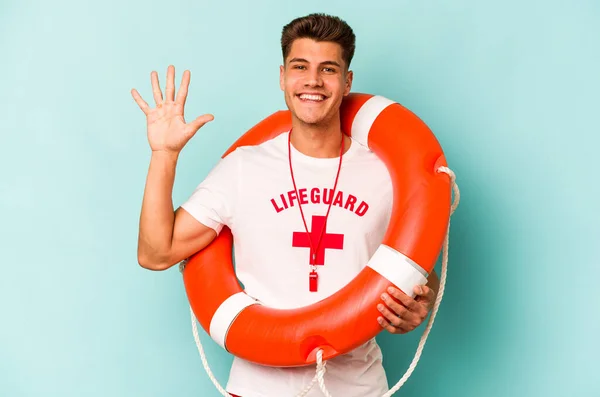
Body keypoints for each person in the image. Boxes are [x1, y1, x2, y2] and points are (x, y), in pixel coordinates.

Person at [132, 13, 440, 397]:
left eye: (328, 69)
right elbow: (156, 252)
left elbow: (414, 263)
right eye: (300, 67)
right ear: (282, 77)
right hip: (258, 387)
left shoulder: (387, 174)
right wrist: (164, 154)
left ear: (347, 82)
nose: (313, 80)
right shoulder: (243, 168)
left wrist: (416, 302)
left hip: (358, 388)